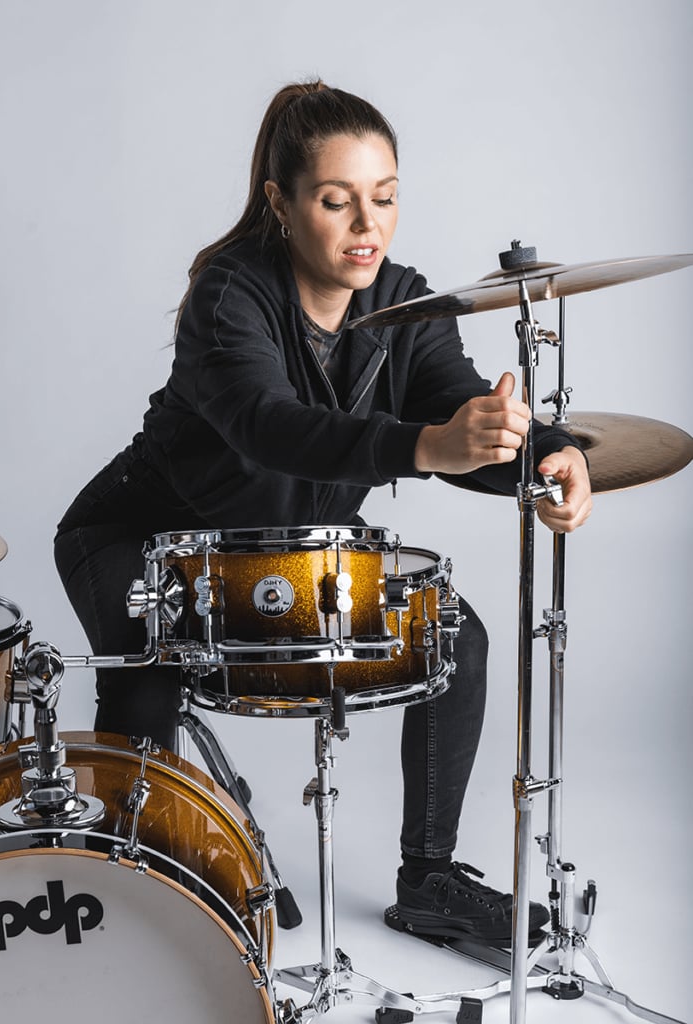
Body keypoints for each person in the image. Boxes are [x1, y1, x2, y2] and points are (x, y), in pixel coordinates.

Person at [54, 80, 592, 946]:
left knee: (458, 638)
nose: (367, 225)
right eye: (337, 202)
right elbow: (273, 429)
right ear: (281, 203)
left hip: (287, 544)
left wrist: (549, 452)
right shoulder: (229, 295)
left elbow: (458, 408)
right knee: (151, 675)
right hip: (143, 535)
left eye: (385, 198)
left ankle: (429, 881)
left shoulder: (405, 303)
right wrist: (427, 446)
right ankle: (140, 894)